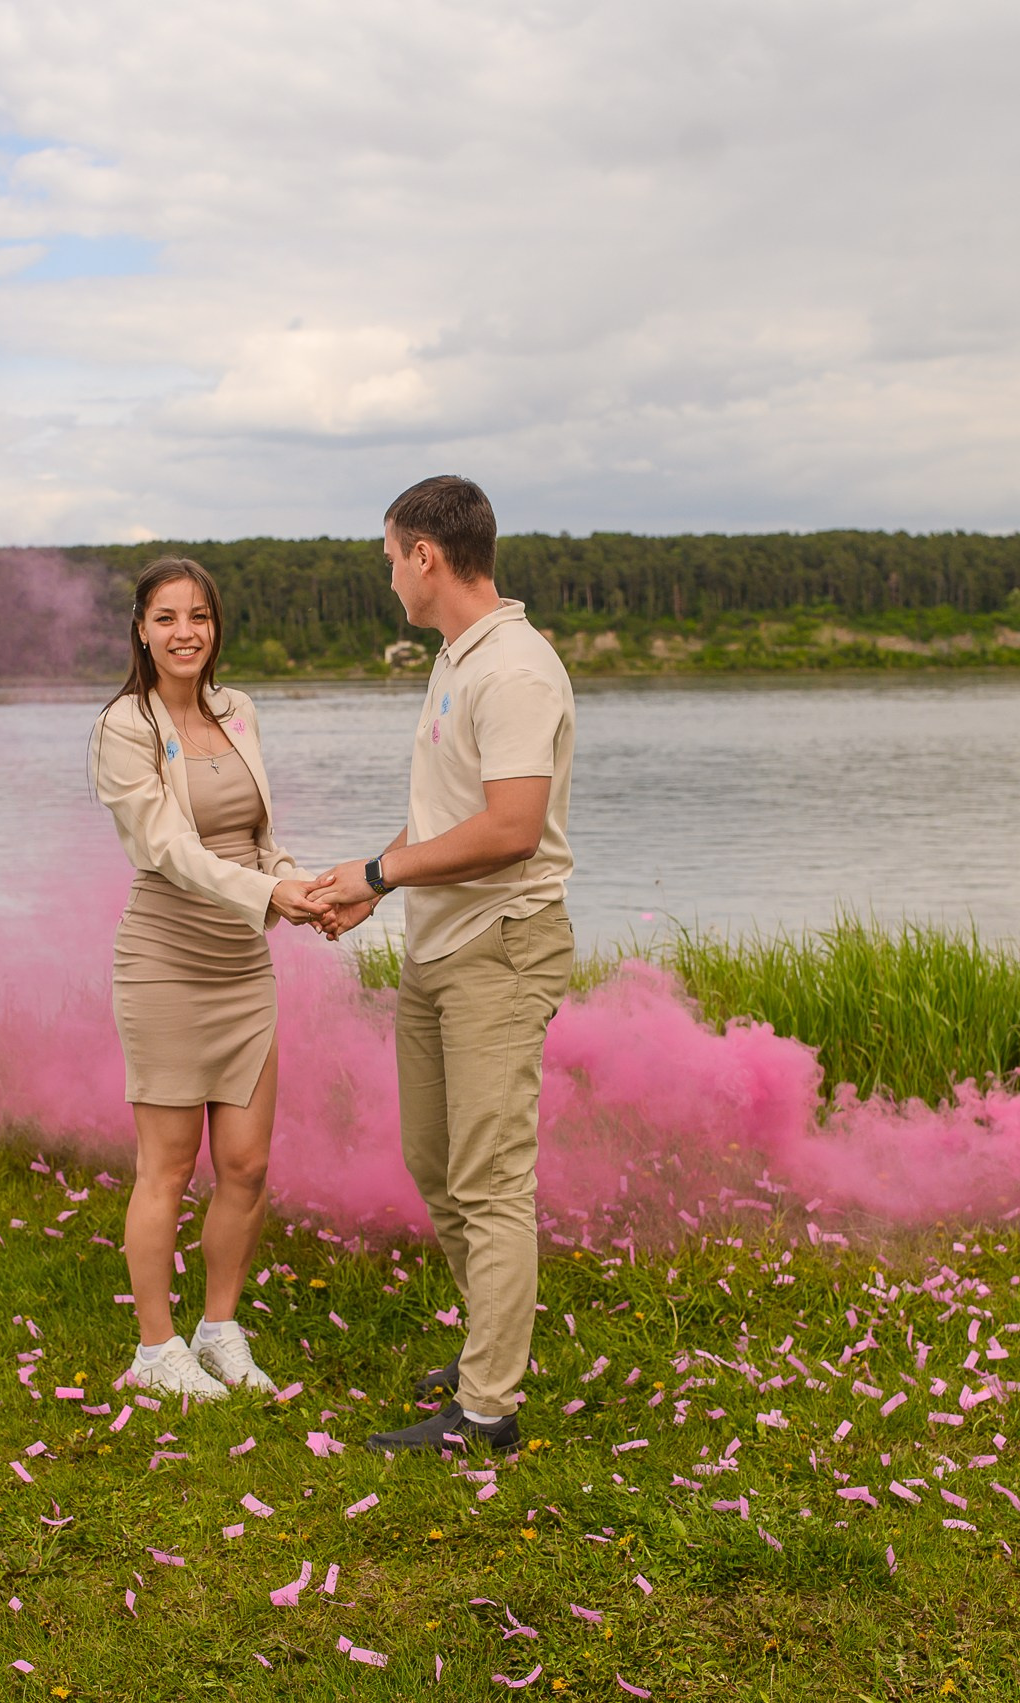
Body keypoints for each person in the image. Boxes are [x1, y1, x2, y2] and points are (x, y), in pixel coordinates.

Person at [309, 475, 576, 1455]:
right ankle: (488, 1349)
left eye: (390, 558)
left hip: (500, 949)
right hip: (440, 946)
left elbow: (509, 831)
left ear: (427, 553)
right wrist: (374, 884)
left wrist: (384, 869)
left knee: (489, 1177)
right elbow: (449, 818)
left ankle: (486, 1409)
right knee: (437, 1161)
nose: (388, 578)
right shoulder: (459, 659)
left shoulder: (513, 667)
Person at [93, 557, 330, 1400]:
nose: (185, 632)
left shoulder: (239, 712)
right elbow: (167, 848)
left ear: (216, 626)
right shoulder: (124, 725)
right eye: (166, 618)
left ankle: (219, 1327)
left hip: (241, 962)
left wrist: (300, 881)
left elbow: (258, 832)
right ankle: (155, 1352)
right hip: (165, 960)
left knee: (247, 1163)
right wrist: (274, 894)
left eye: (199, 616)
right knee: (166, 1166)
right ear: (142, 630)